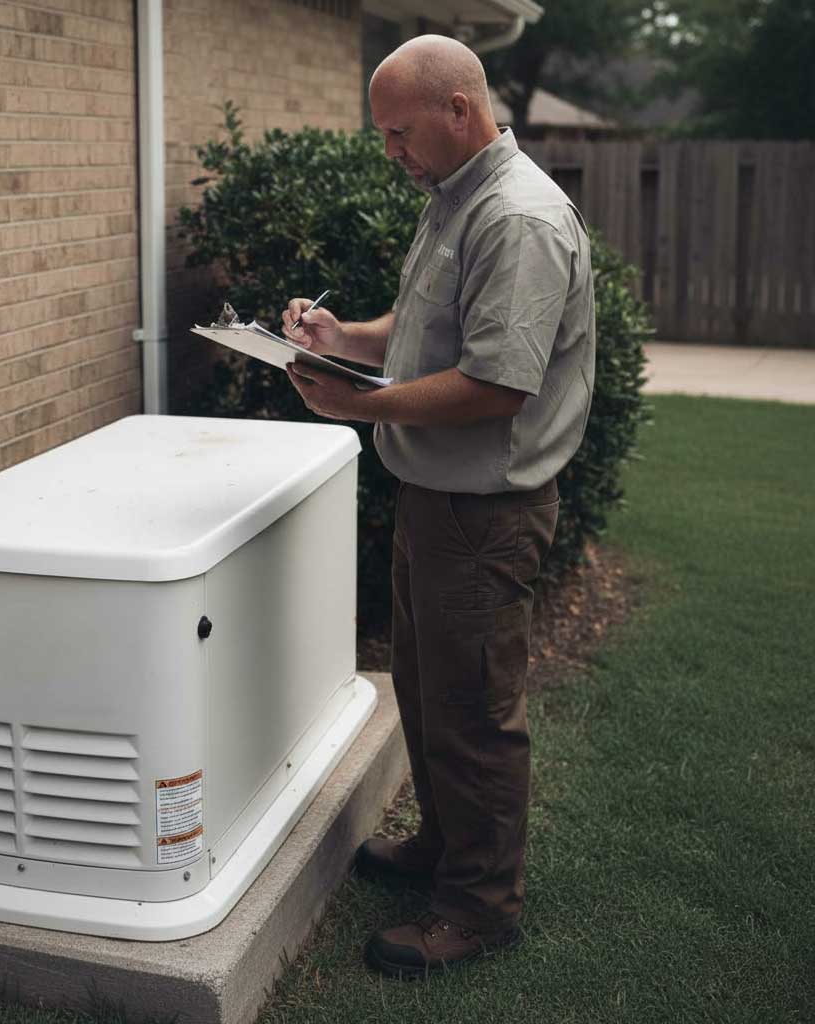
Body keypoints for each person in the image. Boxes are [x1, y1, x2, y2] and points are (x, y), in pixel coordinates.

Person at [280, 34, 596, 980]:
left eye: (398, 132)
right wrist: (347, 337)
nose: (391, 152)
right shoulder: (458, 198)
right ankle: (441, 851)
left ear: (458, 110)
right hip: (438, 501)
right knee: (426, 693)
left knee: (473, 711)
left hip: (484, 511)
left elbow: (498, 385)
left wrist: (363, 402)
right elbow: (423, 333)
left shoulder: (520, 219)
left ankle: (478, 906)